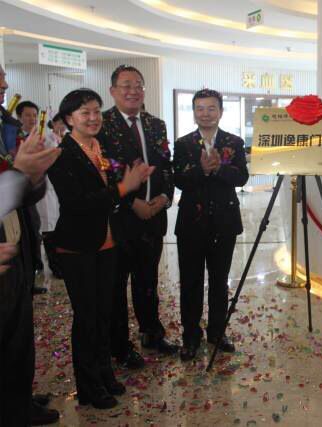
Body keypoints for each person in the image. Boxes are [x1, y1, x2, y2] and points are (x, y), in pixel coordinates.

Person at [47, 88, 154, 409]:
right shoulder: (62, 154)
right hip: (78, 246)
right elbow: (78, 204)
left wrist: (131, 182)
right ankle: (88, 387)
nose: (93, 118)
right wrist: (124, 187)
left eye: (96, 111)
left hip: (108, 241)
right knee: (87, 319)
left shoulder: (99, 147)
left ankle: (105, 374)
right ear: (69, 119)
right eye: (85, 113)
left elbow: (109, 192)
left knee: (105, 313)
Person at [100, 65, 177, 369]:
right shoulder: (102, 124)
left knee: (148, 280)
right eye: (126, 85)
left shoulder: (156, 124)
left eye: (138, 85)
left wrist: (164, 198)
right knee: (117, 285)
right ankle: (120, 346)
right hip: (121, 217)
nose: (133, 91)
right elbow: (105, 172)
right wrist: (132, 202)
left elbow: (166, 165)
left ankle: (151, 332)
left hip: (154, 216)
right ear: (113, 91)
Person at [0, 64, 62, 426]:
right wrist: (20, 174)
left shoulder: (6, 127)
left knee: (17, 332)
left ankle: (17, 399)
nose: (5, 84)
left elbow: (19, 191)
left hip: (14, 239)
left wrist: (33, 176)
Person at [173, 89, 249, 361]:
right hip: (191, 224)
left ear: (220, 111)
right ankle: (190, 336)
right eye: (200, 108)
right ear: (194, 112)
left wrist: (218, 169)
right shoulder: (183, 144)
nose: (205, 114)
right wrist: (201, 170)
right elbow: (178, 179)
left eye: (211, 108)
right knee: (191, 282)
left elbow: (242, 177)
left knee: (219, 281)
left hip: (224, 223)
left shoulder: (234, 142)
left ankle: (217, 332)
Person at [16, 100, 47, 292]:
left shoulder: (39, 138)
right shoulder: (14, 137)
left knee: (33, 232)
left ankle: (32, 275)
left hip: (31, 195)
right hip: (15, 197)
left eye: (35, 115)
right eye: (27, 115)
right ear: (19, 117)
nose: (32, 119)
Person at [38, 113, 66, 278]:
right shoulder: (48, 139)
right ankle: (54, 266)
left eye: (64, 123)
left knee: (57, 228)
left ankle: (59, 264)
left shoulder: (64, 138)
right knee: (48, 229)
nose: (62, 126)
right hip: (47, 188)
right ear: (53, 123)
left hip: (58, 190)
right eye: (59, 123)